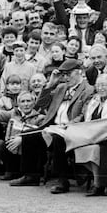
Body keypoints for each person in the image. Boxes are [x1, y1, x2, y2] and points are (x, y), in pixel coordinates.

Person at [27, 59, 94, 194]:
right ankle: (30, 176)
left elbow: (84, 115)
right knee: (29, 135)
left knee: (58, 139)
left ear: (79, 72)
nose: (65, 78)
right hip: (53, 125)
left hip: (72, 129)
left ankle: (62, 180)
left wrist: (67, 125)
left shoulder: (88, 89)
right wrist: (50, 84)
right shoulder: (60, 87)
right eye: (63, 75)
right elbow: (40, 106)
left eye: (69, 74)